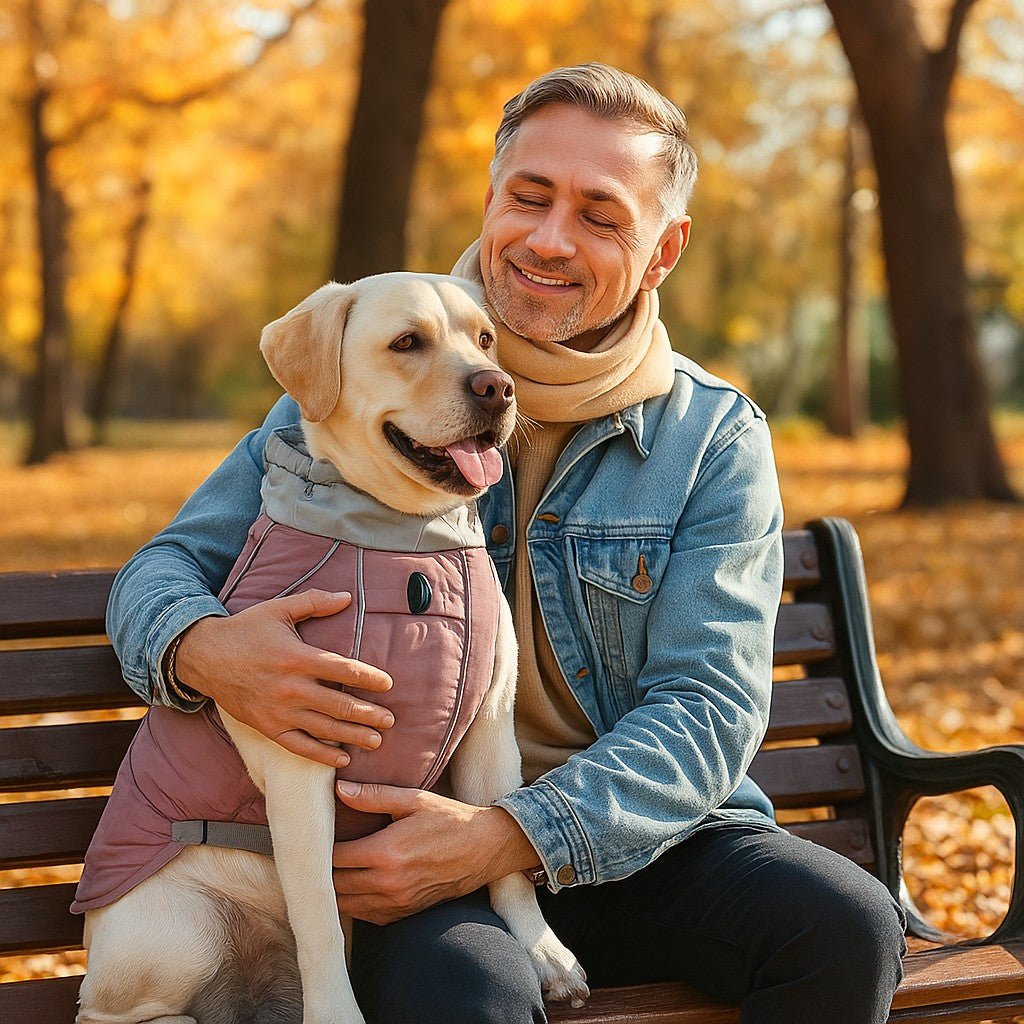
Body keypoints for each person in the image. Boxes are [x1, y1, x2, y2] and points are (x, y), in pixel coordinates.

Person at [108, 63, 906, 1023]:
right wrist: (204, 650)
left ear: (663, 250)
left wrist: (510, 835)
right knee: (465, 994)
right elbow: (161, 570)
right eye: (529, 197)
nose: (549, 237)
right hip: (411, 845)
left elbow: (707, 711)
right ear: (491, 201)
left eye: (601, 215)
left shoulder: (709, 440)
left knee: (847, 928)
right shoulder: (363, 373)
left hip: (635, 837)